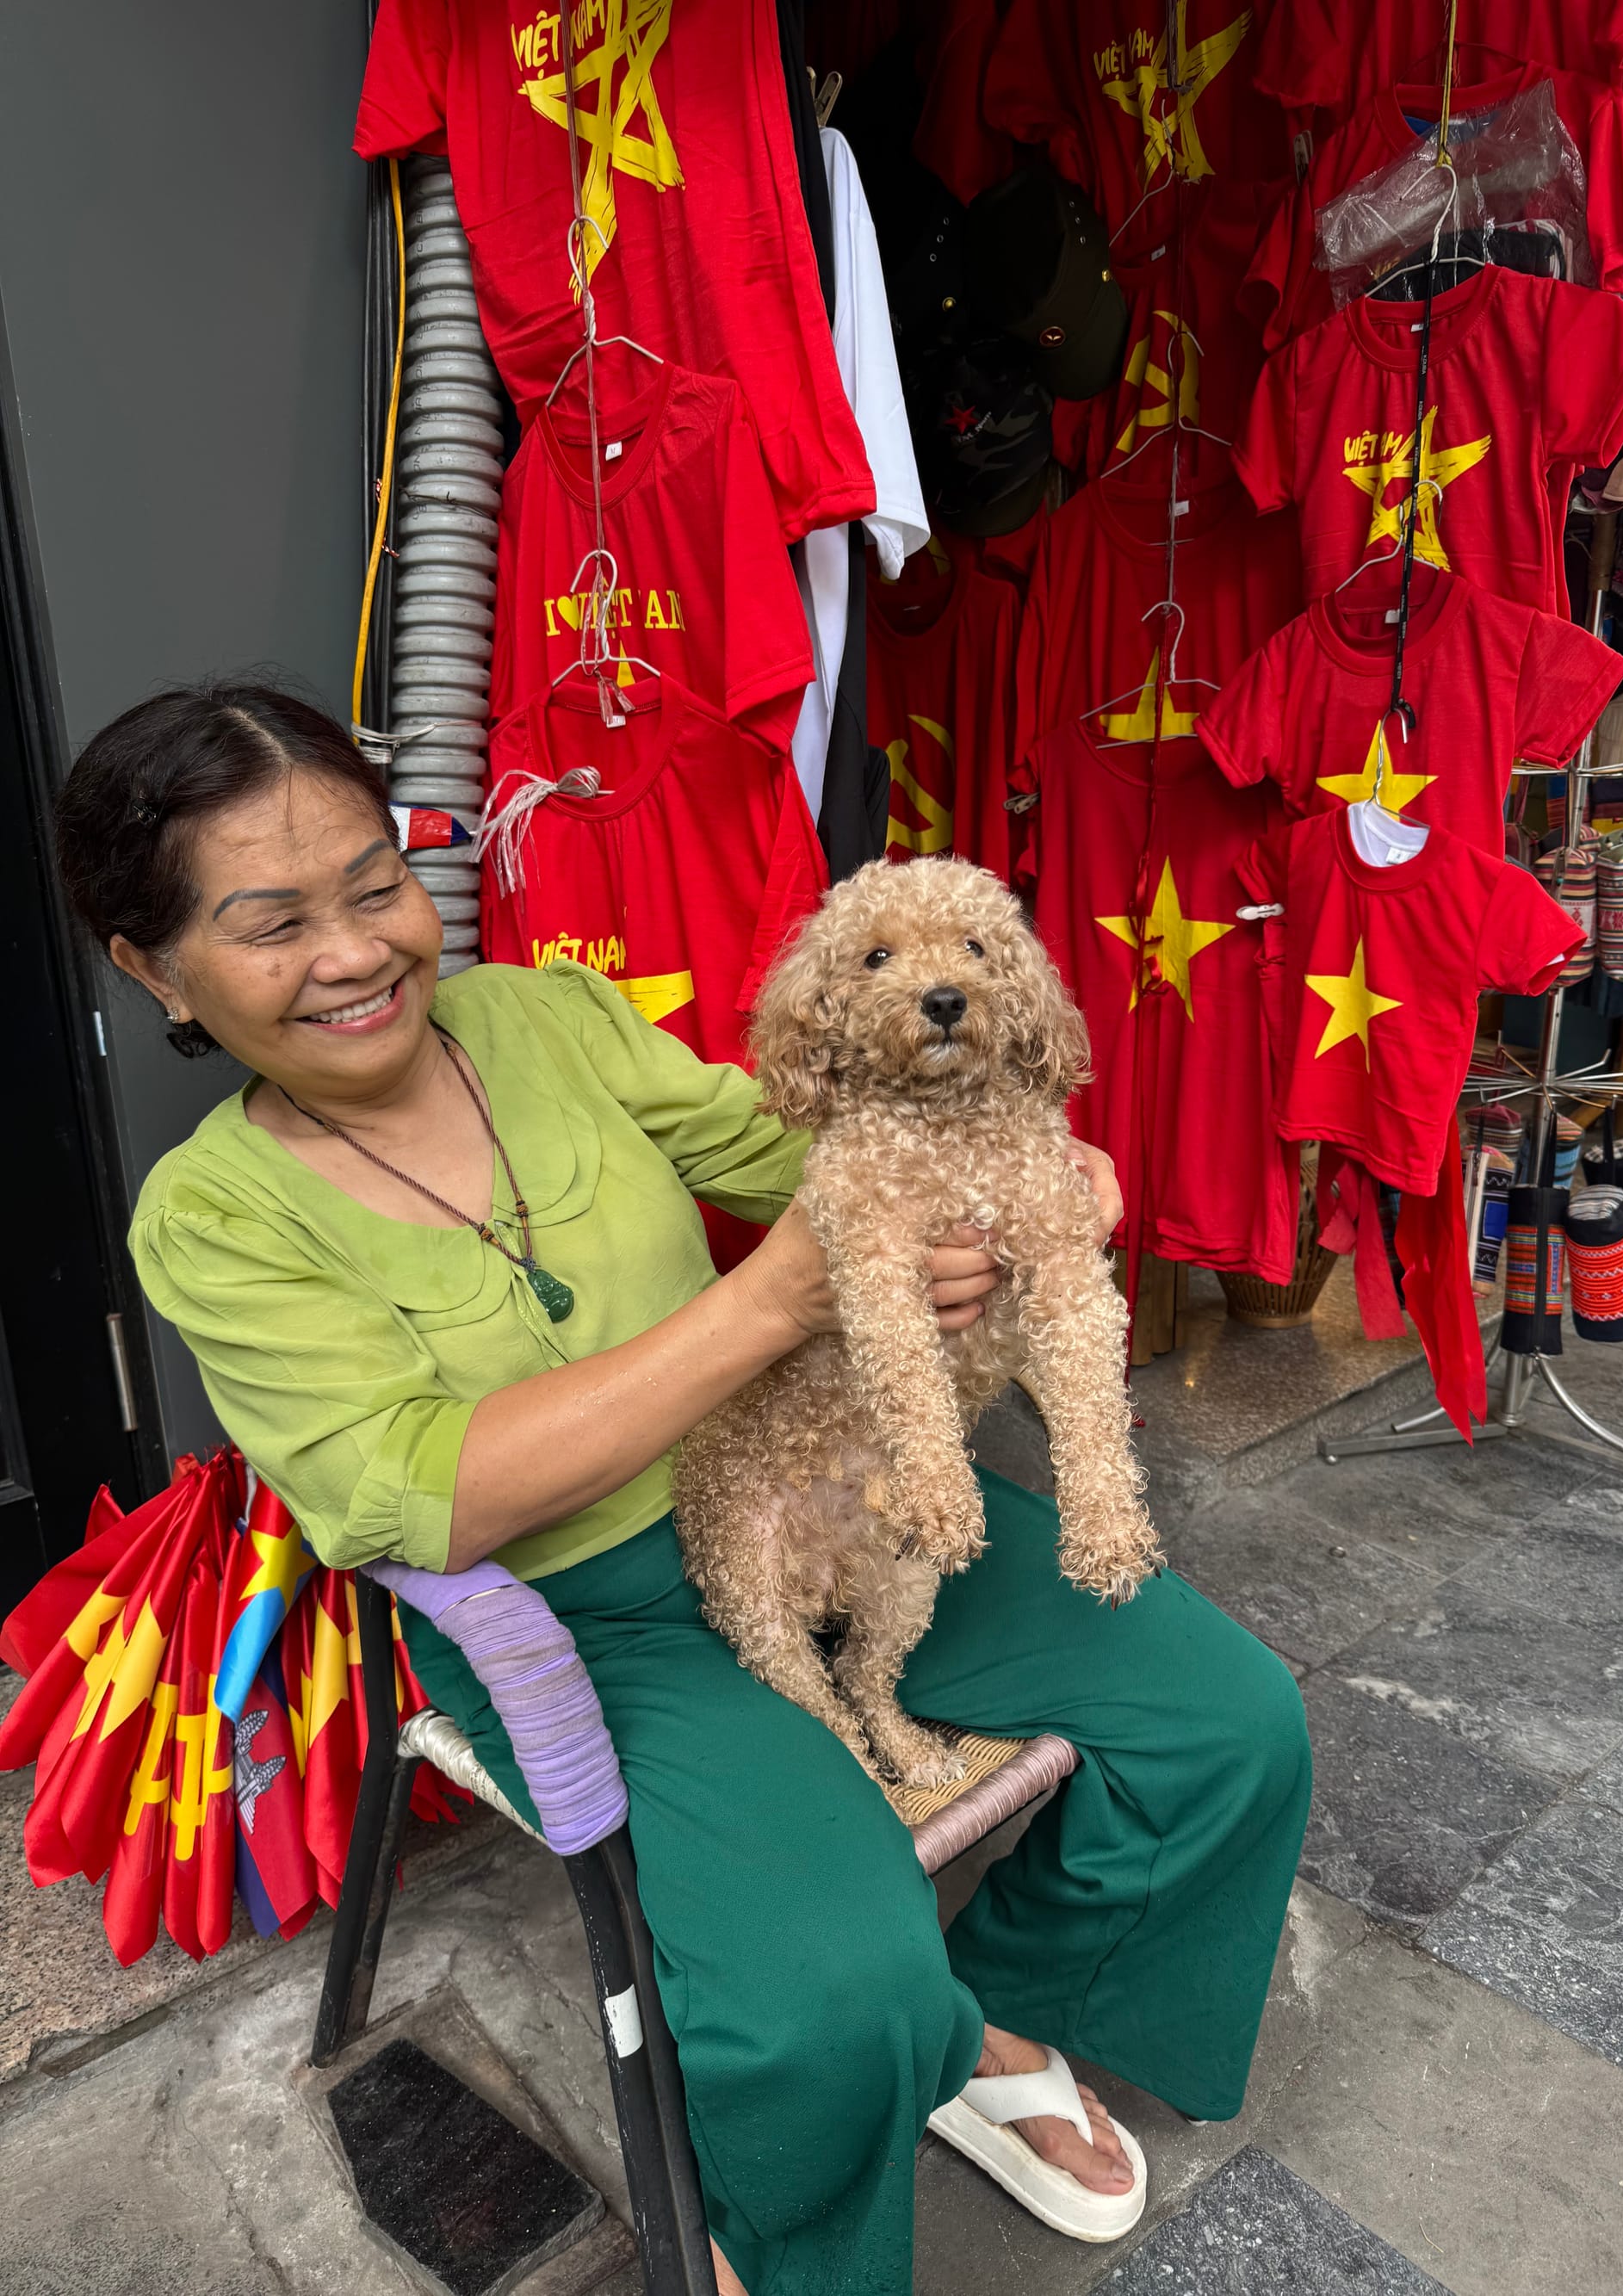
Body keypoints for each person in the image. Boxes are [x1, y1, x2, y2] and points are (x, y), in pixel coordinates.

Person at [55, 684, 1310, 2296]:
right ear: (155, 968)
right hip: (586, 1616)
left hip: (821, 1486)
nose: (357, 951)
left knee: (1229, 1723)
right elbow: (417, 1496)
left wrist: (1006, 1175)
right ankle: (852, 2130)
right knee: (833, 1997)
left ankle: (989, 2018)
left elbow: (783, 1153)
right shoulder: (213, 1215)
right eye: (273, 923)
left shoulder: (543, 1023)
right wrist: (771, 1305)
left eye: (376, 884)